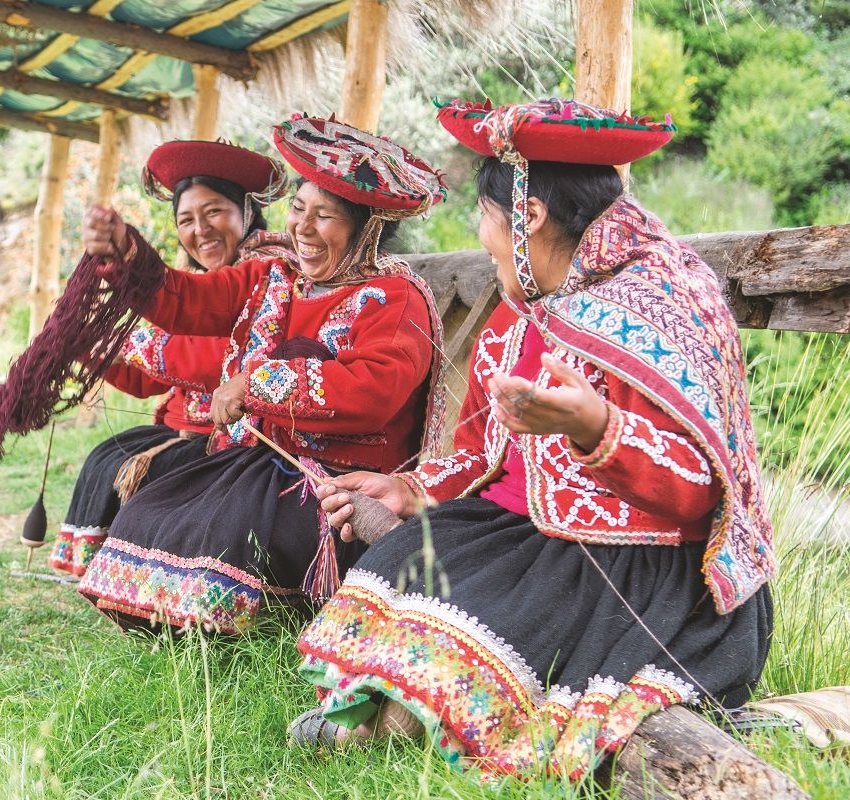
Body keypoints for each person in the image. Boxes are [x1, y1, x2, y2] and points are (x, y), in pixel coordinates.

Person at [290, 99, 775, 781]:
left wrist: (596, 429)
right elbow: (484, 444)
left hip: (634, 571)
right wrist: (409, 489)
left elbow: (700, 494)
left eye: (484, 216)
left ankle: (394, 720)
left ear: (530, 216)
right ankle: (393, 713)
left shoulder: (658, 303)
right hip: (526, 537)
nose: (481, 235)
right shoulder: (526, 309)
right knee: (393, 575)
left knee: (453, 647)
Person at [75, 114, 450, 635]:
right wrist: (125, 253)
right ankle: (195, 631)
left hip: (334, 483)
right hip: (253, 463)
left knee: (231, 530)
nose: (302, 226)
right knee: (151, 512)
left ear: (369, 228)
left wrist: (254, 385)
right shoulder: (271, 275)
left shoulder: (394, 297)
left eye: (326, 216)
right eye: (298, 208)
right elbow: (187, 302)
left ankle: (248, 628)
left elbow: (372, 393)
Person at [50, 140, 294, 577]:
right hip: (185, 430)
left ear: (247, 212)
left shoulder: (272, 272)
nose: (200, 230)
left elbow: (216, 358)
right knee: (108, 457)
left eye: (214, 212)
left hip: (240, 442)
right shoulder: (203, 279)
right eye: (186, 219)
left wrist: (129, 339)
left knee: (151, 471)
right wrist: (86, 346)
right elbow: (149, 382)